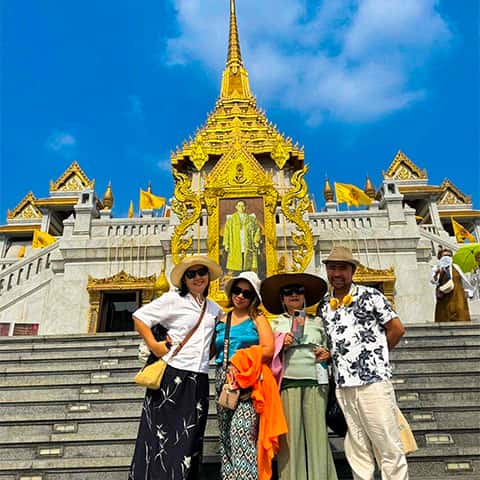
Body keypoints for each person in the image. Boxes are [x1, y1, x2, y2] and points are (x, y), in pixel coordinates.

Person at [317, 245, 408, 480]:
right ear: (326, 270)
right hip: (343, 384)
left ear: (353, 271)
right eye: (332, 268)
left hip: (372, 381)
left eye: (342, 269)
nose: (337, 274)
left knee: (387, 443)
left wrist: (376, 354)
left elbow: (396, 329)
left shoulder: (371, 296)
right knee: (357, 447)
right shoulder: (325, 306)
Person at [129, 255, 223, 480]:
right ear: (184, 280)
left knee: (190, 440)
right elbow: (139, 317)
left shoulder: (213, 308)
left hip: (199, 377)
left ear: (208, 277)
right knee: (163, 438)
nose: (197, 278)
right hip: (173, 374)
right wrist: (154, 345)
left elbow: (219, 335)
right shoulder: (173, 300)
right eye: (191, 274)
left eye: (202, 273)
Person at [260, 272, 338, 480]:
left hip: (316, 381)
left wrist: (327, 354)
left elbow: (333, 349)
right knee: (290, 440)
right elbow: (265, 352)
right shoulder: (274, 323)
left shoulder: (319, 322)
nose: (293, 295)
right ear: (282, 299)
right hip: (287, 383)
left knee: (318, 436)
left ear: (305, 296)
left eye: (298, 291)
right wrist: (280, 344)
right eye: (288, 292)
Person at [214, 271, 281, 480]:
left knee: (241, 434)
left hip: (247, 380)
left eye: (247, 293)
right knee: (225, 438)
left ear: (254, 298)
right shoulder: (222, 318)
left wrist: (241, 359)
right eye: (237, 291)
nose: (240, 296)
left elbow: (268, 349)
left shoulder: (257, 318)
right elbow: (209, 349)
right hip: (223, 379)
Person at [431, 248, 471, 322]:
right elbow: (434, 281)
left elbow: (464, 280)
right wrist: (437, 274)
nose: (447, 257)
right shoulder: (437, 268)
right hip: (444, 296)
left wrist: (468, 292)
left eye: (449, 255)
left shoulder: (456, 267)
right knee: (444, 315)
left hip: (457, 295)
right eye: (444, 256)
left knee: (460, 312)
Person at [223, 200, 261, 273]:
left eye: (243, 206)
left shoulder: (251, 218)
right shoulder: (231, 219)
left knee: (249, 261)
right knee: (235, 261)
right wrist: (226, 244)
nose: (241, 207)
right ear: (236, 207)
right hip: (235, 243)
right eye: (239, 206)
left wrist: (256, 240)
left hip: (247, 242)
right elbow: (227, 231)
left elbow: (257, 230)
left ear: (246, 207)